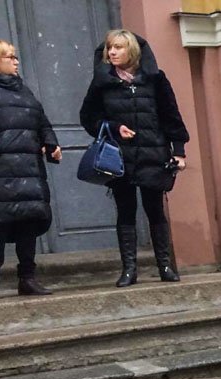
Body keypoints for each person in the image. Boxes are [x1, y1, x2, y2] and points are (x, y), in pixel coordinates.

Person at [80, 30, 189, 288]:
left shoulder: (155, 80)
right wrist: (114, 127)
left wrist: (179, 151)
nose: (112, 53)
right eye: (109, 48)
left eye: (118, 47)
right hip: (119, 157)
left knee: (155, 210)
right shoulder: (101, 82)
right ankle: (129, 269)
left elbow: (171, 117)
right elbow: (88, 117)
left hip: (153, 153)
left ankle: (165, 265)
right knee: (126, 212)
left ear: (132, 51)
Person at [0, 40, 59, 297]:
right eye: (9, 57)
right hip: (2, 172)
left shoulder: (23, 90)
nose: (16, 61)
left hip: (28, 170)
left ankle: (28, 278)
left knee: (28, 223)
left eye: (15, 56)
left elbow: (41, 120)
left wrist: (51, 142)